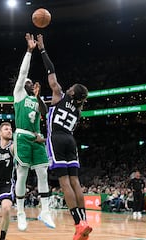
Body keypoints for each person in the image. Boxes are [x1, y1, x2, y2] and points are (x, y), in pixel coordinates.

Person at [36, 34, 92, 240]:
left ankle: (77, 224)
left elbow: (51, 72)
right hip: (70, 140)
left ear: (71, 93)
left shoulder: (59, 94)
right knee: (75, 180)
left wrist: (42, 49)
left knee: (64, 182)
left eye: (70, 88)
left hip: (57, 139)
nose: (67, 87)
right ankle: (84, 220)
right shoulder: (78, 111)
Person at [13, 33, 55, 231]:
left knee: (43, 173)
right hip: (22, 136)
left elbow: (45, 113)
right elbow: (22, 74)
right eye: (28, 82)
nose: (30, 83)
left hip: (37, 138)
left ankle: (45, 210)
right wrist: (30, 51)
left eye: (31, 83)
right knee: (21, 175)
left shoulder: (35, 99)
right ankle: (21, 212)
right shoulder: (19, 94)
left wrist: (39, 97)